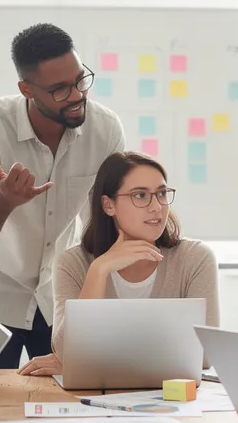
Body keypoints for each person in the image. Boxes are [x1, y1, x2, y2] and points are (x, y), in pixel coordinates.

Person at [0, 23, 125, 368]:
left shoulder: (104, 130)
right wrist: (4, 203)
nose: (77, 95)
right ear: (26, 89)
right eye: (59, 89)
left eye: (80, 80)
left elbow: (104, 223)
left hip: (56, 294)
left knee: (70, 393)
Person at [19, 152, 219, 377]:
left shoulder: (195, 258)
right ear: (108, 205)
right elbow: (67, 352)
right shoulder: (73, 263)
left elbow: (203, 355)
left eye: (162, 193)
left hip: (172, 399)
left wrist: (92, 360)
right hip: (96, 398)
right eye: (141, 195)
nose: (157, 207)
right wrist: (99, 270)